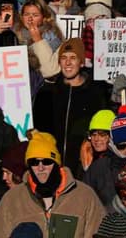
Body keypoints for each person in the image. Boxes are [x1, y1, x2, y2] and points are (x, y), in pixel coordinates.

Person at [0, 133, 106, 238]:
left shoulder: (84, 195)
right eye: (34, 162)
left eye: (46, 161)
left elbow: (100, 233)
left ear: (56, 163)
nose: (40, 168)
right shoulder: (12, 199)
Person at [32, 38, 112, 174]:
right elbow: (38, 129)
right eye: (63, 58)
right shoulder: (47, 92)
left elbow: (104, 128)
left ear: (81, 63)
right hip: (52, 167)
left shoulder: (96, 92)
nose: (68, 62)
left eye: (73, 58)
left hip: (83, 167)